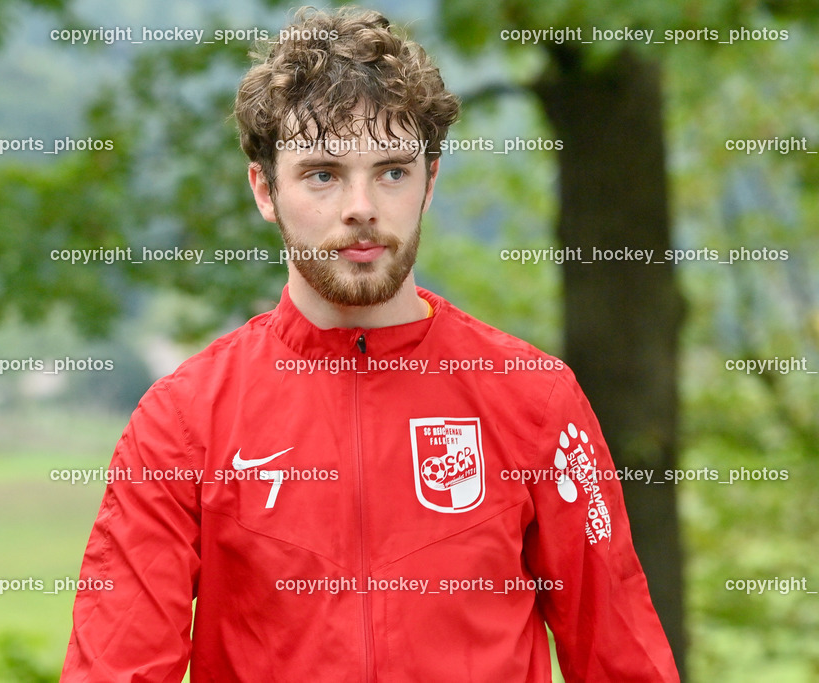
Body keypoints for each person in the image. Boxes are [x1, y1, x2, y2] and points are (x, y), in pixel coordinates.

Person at [61, 7, 679, 681]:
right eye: (323, 173)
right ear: (265, 189)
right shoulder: (181, 423)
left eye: (391, 171)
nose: (361, 206)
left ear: (430, 180)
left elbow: (625, 661)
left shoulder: (536, 400)